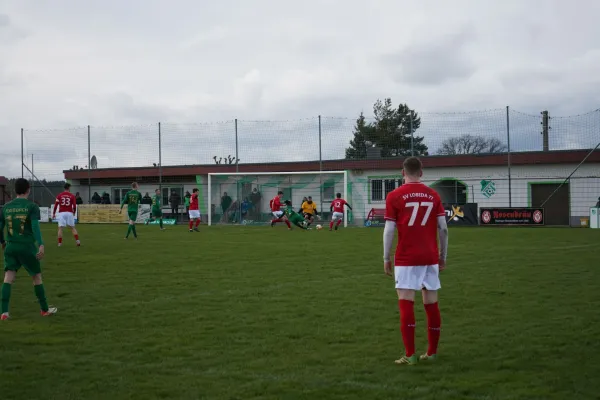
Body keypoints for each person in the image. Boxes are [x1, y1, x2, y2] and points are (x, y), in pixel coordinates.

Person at [382, 156, 448, 366]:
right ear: (421, 172)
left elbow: (389, 229)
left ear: (403, 172)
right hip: (430, 256)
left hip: (406, 257)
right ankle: (432, 352)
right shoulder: (433, 194)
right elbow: (444, 229)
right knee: (431, 303)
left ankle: (410, 354)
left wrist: (386, 257)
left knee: (406, 302)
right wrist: (442, 256)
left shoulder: (394, 195)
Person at [0, 178, 57, 320]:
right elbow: (35, 227)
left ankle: (4, 313)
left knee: (8, 277)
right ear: (28, 190)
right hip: (26, 246)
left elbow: (0, 228)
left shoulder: (6, 207)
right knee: (36, 276)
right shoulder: (31, 207)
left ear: (15, 190)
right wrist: (41, 244)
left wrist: (2, 242)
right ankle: (44, 309)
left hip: (10, 245)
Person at [52, 183, 81, 247]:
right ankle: (77, 241)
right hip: (69, 212)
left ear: (64, 188)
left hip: (62, 213)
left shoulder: (59, 195)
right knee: (72, 228)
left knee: (60, 228)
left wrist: (54, 213)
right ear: (69, 188)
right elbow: (74, 205)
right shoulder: (72, 196)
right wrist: (74, 212)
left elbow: (56, 205)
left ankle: (59, 243)